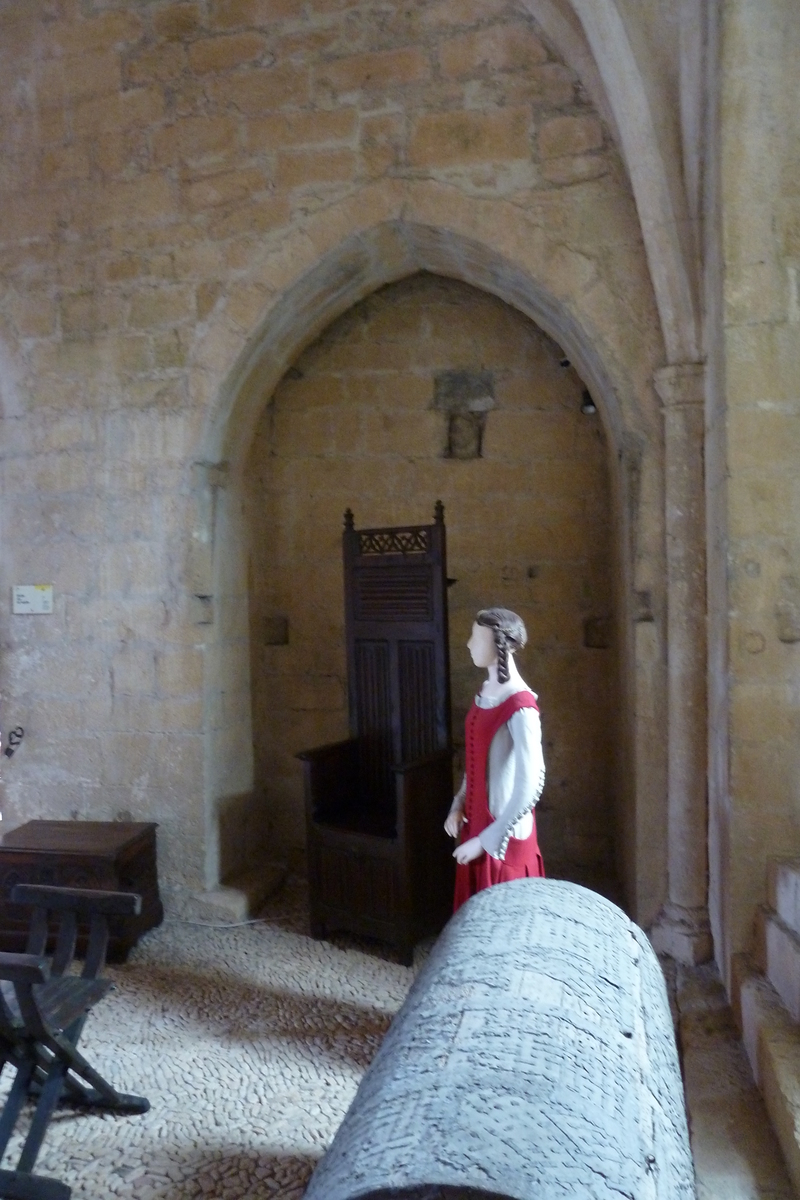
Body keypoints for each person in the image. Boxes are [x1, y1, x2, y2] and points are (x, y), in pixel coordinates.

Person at [445, 607, 546, 912]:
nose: (468, 644)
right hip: (475, 823)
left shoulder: (521, 705)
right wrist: (458, 803)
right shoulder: (487, 691)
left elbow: (532, 785)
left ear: (497, 644)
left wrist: (485, 841)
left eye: (476, 637)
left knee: (503, 925)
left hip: (502, 835)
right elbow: (476, 759)